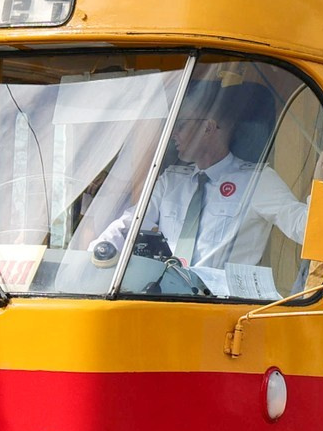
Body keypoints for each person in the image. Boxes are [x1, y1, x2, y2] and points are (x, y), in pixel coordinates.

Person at [93, 78, 309, 296]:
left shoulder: (257, 181)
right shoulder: (171, 181)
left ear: (207, 127)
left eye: (181, 125)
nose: (173, 135)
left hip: (221, 311)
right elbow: (131, 224)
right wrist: (98, 253)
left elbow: (303, 228)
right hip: (164, 301)